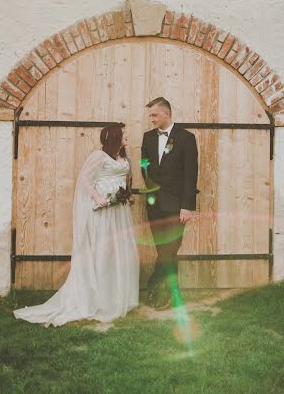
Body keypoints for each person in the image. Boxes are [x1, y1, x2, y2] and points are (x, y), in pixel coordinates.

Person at [14, 125, 139, 326]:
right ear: (115, 137)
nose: (127, 137)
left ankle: (115, 298)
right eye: (124, 134)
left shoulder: (124, 158)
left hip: (119, 212)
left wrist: (127, 196)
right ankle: (97, 299)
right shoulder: (99, 156)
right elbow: (85, 181)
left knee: (118, 251)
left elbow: (125, 181)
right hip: (103, 211)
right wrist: (99, 198)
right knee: (103, 251)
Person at [141, 97, 199, 310]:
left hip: (177, 206)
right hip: (154, 204)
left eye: (154, 115)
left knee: (169, 249)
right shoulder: (147, 138)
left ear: (166, 114)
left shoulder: (186, 138)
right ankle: (167, 293)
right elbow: (144, 165)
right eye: (150, 116)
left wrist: (187, 205)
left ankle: (158, 289)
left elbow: (191, 174)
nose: (152, 119)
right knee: (164, 250)